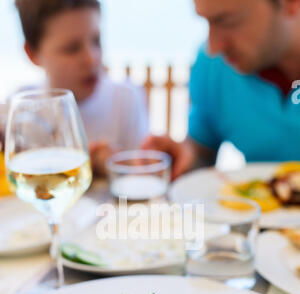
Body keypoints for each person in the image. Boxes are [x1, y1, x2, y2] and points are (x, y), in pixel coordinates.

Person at [142, 0, 300, 179]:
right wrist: (182, 156)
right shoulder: (213, 67)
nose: (214, 48)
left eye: (226, 21)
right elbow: (203, 151)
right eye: (207, 21)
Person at [15, 0, 149, 174]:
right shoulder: (20, 110)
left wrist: (116, 164)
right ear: (32, 54)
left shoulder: (126, 99)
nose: (91, 58)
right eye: (72, 48)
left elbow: (142, 178)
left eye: (96, 41)